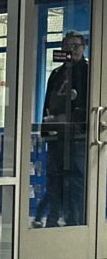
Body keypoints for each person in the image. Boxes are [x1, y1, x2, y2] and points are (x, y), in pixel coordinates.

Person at [34, 31, 88, 228]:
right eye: (68, 46)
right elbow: (48, 102)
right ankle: (52, 220)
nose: (72, 50)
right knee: (54, 179)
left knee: (76, 180)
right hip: (57, 136)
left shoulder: (89, 72)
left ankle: (75, 221)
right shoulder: (57, 74)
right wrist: (46, 130)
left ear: (83, 47)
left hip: (79, 136)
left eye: (76, 46)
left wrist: (75, 121)